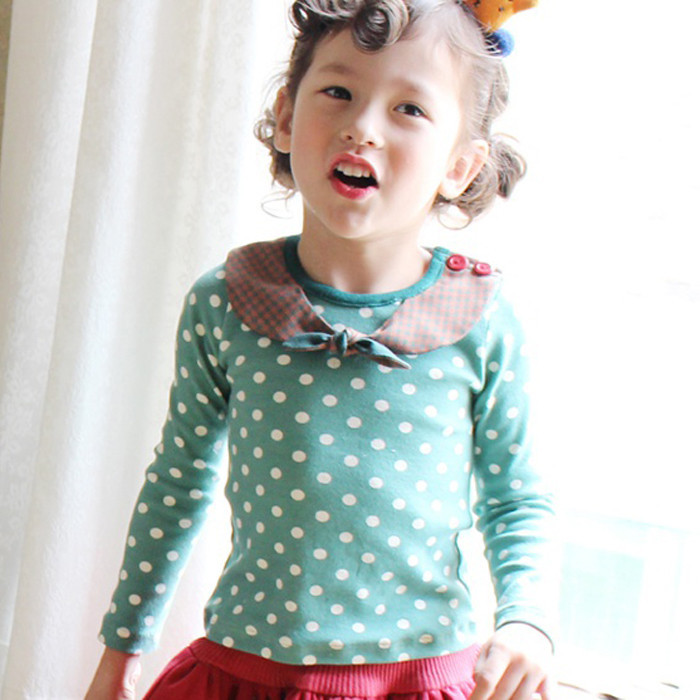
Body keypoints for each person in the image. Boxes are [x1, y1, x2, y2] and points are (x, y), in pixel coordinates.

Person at [85, 1, 557, 698]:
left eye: (409, 109)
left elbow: (516, 498)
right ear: (285, 115)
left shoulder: (482, 321)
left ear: (461, 165)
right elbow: (177, 483)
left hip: (417, 678)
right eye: (338, 91)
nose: (363, 127)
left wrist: (528, 621)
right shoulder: (225, 303)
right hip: (244, 671)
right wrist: (121, 652)